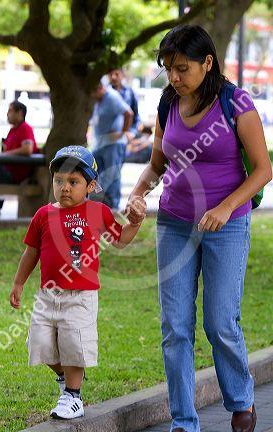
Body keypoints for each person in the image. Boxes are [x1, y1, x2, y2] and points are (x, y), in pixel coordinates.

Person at [126, 25, 272, 432]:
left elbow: (263, 170)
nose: (174, 77)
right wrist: (138, 194)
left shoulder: (236, 102)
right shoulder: (167, 102)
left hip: (226, 225)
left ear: (208, 63)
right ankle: (183, 421)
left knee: (220, 321)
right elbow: (157, 163)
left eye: (182, 68)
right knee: (175, 326)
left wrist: (226, 208)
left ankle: (241, 401)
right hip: (174, 222)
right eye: (168, 68)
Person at [9, 145, 146, 420]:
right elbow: (31, 251)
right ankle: (65, 381)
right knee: (40, 343)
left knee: (74, 344)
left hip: (80, 296)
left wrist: (135, 223)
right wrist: (18, 283)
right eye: (59, 180)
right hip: (48, 295)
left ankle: (73, 396)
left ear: (91, 185)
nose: (65, 188)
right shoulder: (43, 215)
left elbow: (119, 239)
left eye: (73, 182)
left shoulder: (98, 212)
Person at [0, 100, 38, 218]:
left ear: (19, 113)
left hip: (12, 174)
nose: (7, 114)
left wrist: (5, 154)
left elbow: (28, 149)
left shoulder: (25, 128)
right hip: (3, 169)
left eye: (10, 111)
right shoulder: (13, 130)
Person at [91, 81, 133, 209]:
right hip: (100, 143)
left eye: (93, 92)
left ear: (99, 88)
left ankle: (113, 208)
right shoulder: (100, 100)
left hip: (113, 144)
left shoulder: (111, 97)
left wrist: (123, 132)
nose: (92, 96)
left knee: (113, 175)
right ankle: (99, 204)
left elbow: (128, 113)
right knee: (95, 173)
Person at [108, 68, 140, 141]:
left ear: (122, 76)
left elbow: (136, 115)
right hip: (108, 137)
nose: (113, 77)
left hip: (125, 138)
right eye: (111, 74)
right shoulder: (105, 93)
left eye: (116, 74)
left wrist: (132, 132)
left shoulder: (129, 92)